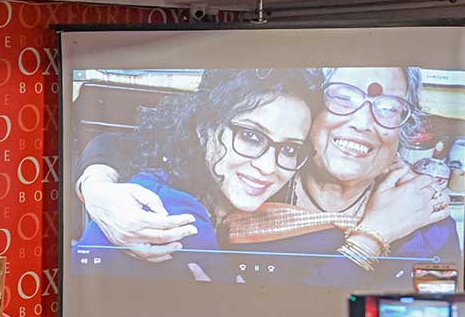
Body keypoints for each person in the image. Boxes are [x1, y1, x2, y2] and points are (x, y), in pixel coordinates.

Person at [76, 67, 458, 287]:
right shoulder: (196, 202)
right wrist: (96, 184)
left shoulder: (423, 213)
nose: (362, 122)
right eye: (343, 97)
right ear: (315, 116)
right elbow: (127, 144)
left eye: (390, 108)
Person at [76, 68, 321, 280]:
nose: (268, 167)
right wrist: (95, 184)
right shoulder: (173, 216)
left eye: (289, 149)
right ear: (204, 128)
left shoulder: (188, 185)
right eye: (251, 136)